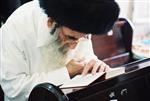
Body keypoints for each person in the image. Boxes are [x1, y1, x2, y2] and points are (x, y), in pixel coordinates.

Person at [0, 0, 120, 101]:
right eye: (70, 37)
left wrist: (95, 67)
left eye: (84, 37)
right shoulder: (16, 28)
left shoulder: (81, 20)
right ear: (51, 21)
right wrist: (66, 72)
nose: (74, 47)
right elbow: (14, 89)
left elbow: (86, 58)